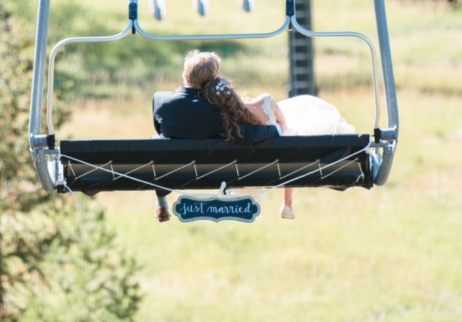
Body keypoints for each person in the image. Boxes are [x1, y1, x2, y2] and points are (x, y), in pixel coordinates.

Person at [200, 75, 356, 220]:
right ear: (232, 90)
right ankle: (287, 203)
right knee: (290, 135)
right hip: (281, 162)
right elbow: (284, 125)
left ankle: (287, 203)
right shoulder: (264, 102)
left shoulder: (221, 125)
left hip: (248, 172)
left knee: (286, 143)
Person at [150, 50, 278, 222]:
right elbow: (247, 136)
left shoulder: (159, 100)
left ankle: (160, 199)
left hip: (173, 171)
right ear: (212, 81)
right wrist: (274, 129)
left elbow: (160, 130)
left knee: (156, 140)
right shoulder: (213, 110)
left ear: (184, 74)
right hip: (211, 172)